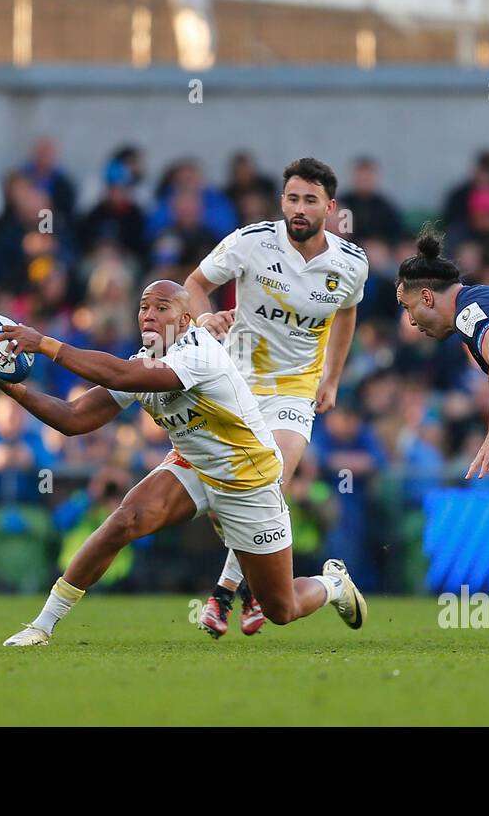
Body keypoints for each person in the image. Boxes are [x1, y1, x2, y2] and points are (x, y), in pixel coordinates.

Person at [0, 279, 367, 646]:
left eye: (162, 307)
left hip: (248, 479)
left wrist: (43, 343)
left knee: (282, 609)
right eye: (144, 307)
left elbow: (125, 376)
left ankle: (332, 584)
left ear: (184, 319)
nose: (149, 314)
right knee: (123, 521)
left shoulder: (198, 354)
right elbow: (74, 419)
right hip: (193, 466)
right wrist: (12, 388)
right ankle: (42, 626)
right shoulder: (141, 360)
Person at [183, 157, 368, 637]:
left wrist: (331, 378)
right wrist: (204, 321)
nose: (299, 208)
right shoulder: (250, 243)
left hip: (293, 389)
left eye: (310, 200)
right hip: (232, 383)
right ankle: (316, 585)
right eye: (292, 198)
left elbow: (346, 315)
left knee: (271, 480)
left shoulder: (350, 264)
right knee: (228, 497)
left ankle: (224, 594)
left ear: (330, 206)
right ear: (281, 201)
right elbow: (195, 287)